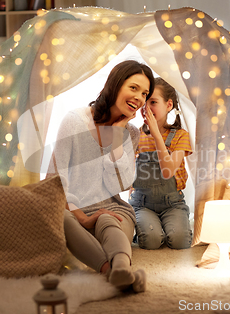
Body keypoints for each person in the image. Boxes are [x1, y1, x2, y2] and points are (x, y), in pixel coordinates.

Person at [51, 60, 154, 292]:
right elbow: (56, 180)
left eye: (145, 93)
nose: (139, 97)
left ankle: (120, 268)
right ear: (115, 85)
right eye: (134, 88)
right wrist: (84, 217)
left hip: (113, 208)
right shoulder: (74, 121)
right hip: (72, 208)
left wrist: (117, 138)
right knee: (58, 215)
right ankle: (114, 273)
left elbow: (122, 183)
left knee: (107, 218)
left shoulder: (131, 133)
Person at [129, 77, 193, 250]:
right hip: (142, 203)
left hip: (172, 203)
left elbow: (168, 172)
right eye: (144, 102)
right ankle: (147, 227)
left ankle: (173, 224)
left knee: (180, 241)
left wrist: (157, 135)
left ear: (169, 105)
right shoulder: (135, 135)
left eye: (153, 102)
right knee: (151, 241)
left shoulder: (180, 135)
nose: (146, 108)